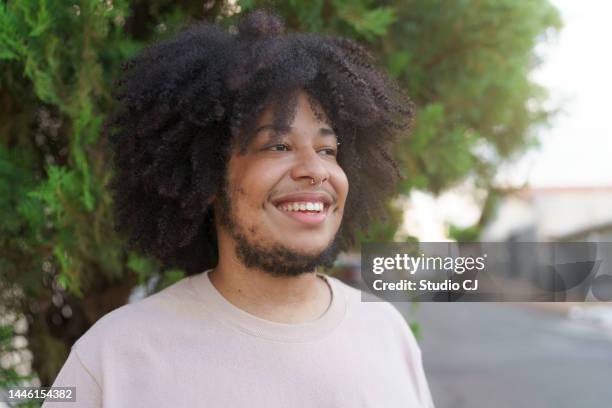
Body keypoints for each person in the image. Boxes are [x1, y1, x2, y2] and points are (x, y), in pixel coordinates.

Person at [44, 10, 435, 407]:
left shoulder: (385, 332)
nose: (315, 170)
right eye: (277, 145)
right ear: (208, 175)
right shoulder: (115, 356)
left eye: (327, 150)